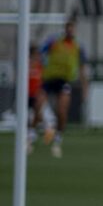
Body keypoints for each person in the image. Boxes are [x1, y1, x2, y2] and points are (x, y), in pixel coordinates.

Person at [35, 17, 81, 157]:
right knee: (38, 106)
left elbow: (82, 65)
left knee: (62, 110)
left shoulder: (77, 46)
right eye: (68, 27)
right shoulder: (54, 41)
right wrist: (41, 66)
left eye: (72, 28)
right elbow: (40, 53)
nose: (70, 30)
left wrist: (82, 83)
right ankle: (45, 129)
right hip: (49, 79)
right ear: (65, 28)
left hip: (64, 81)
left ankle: (57, 139)